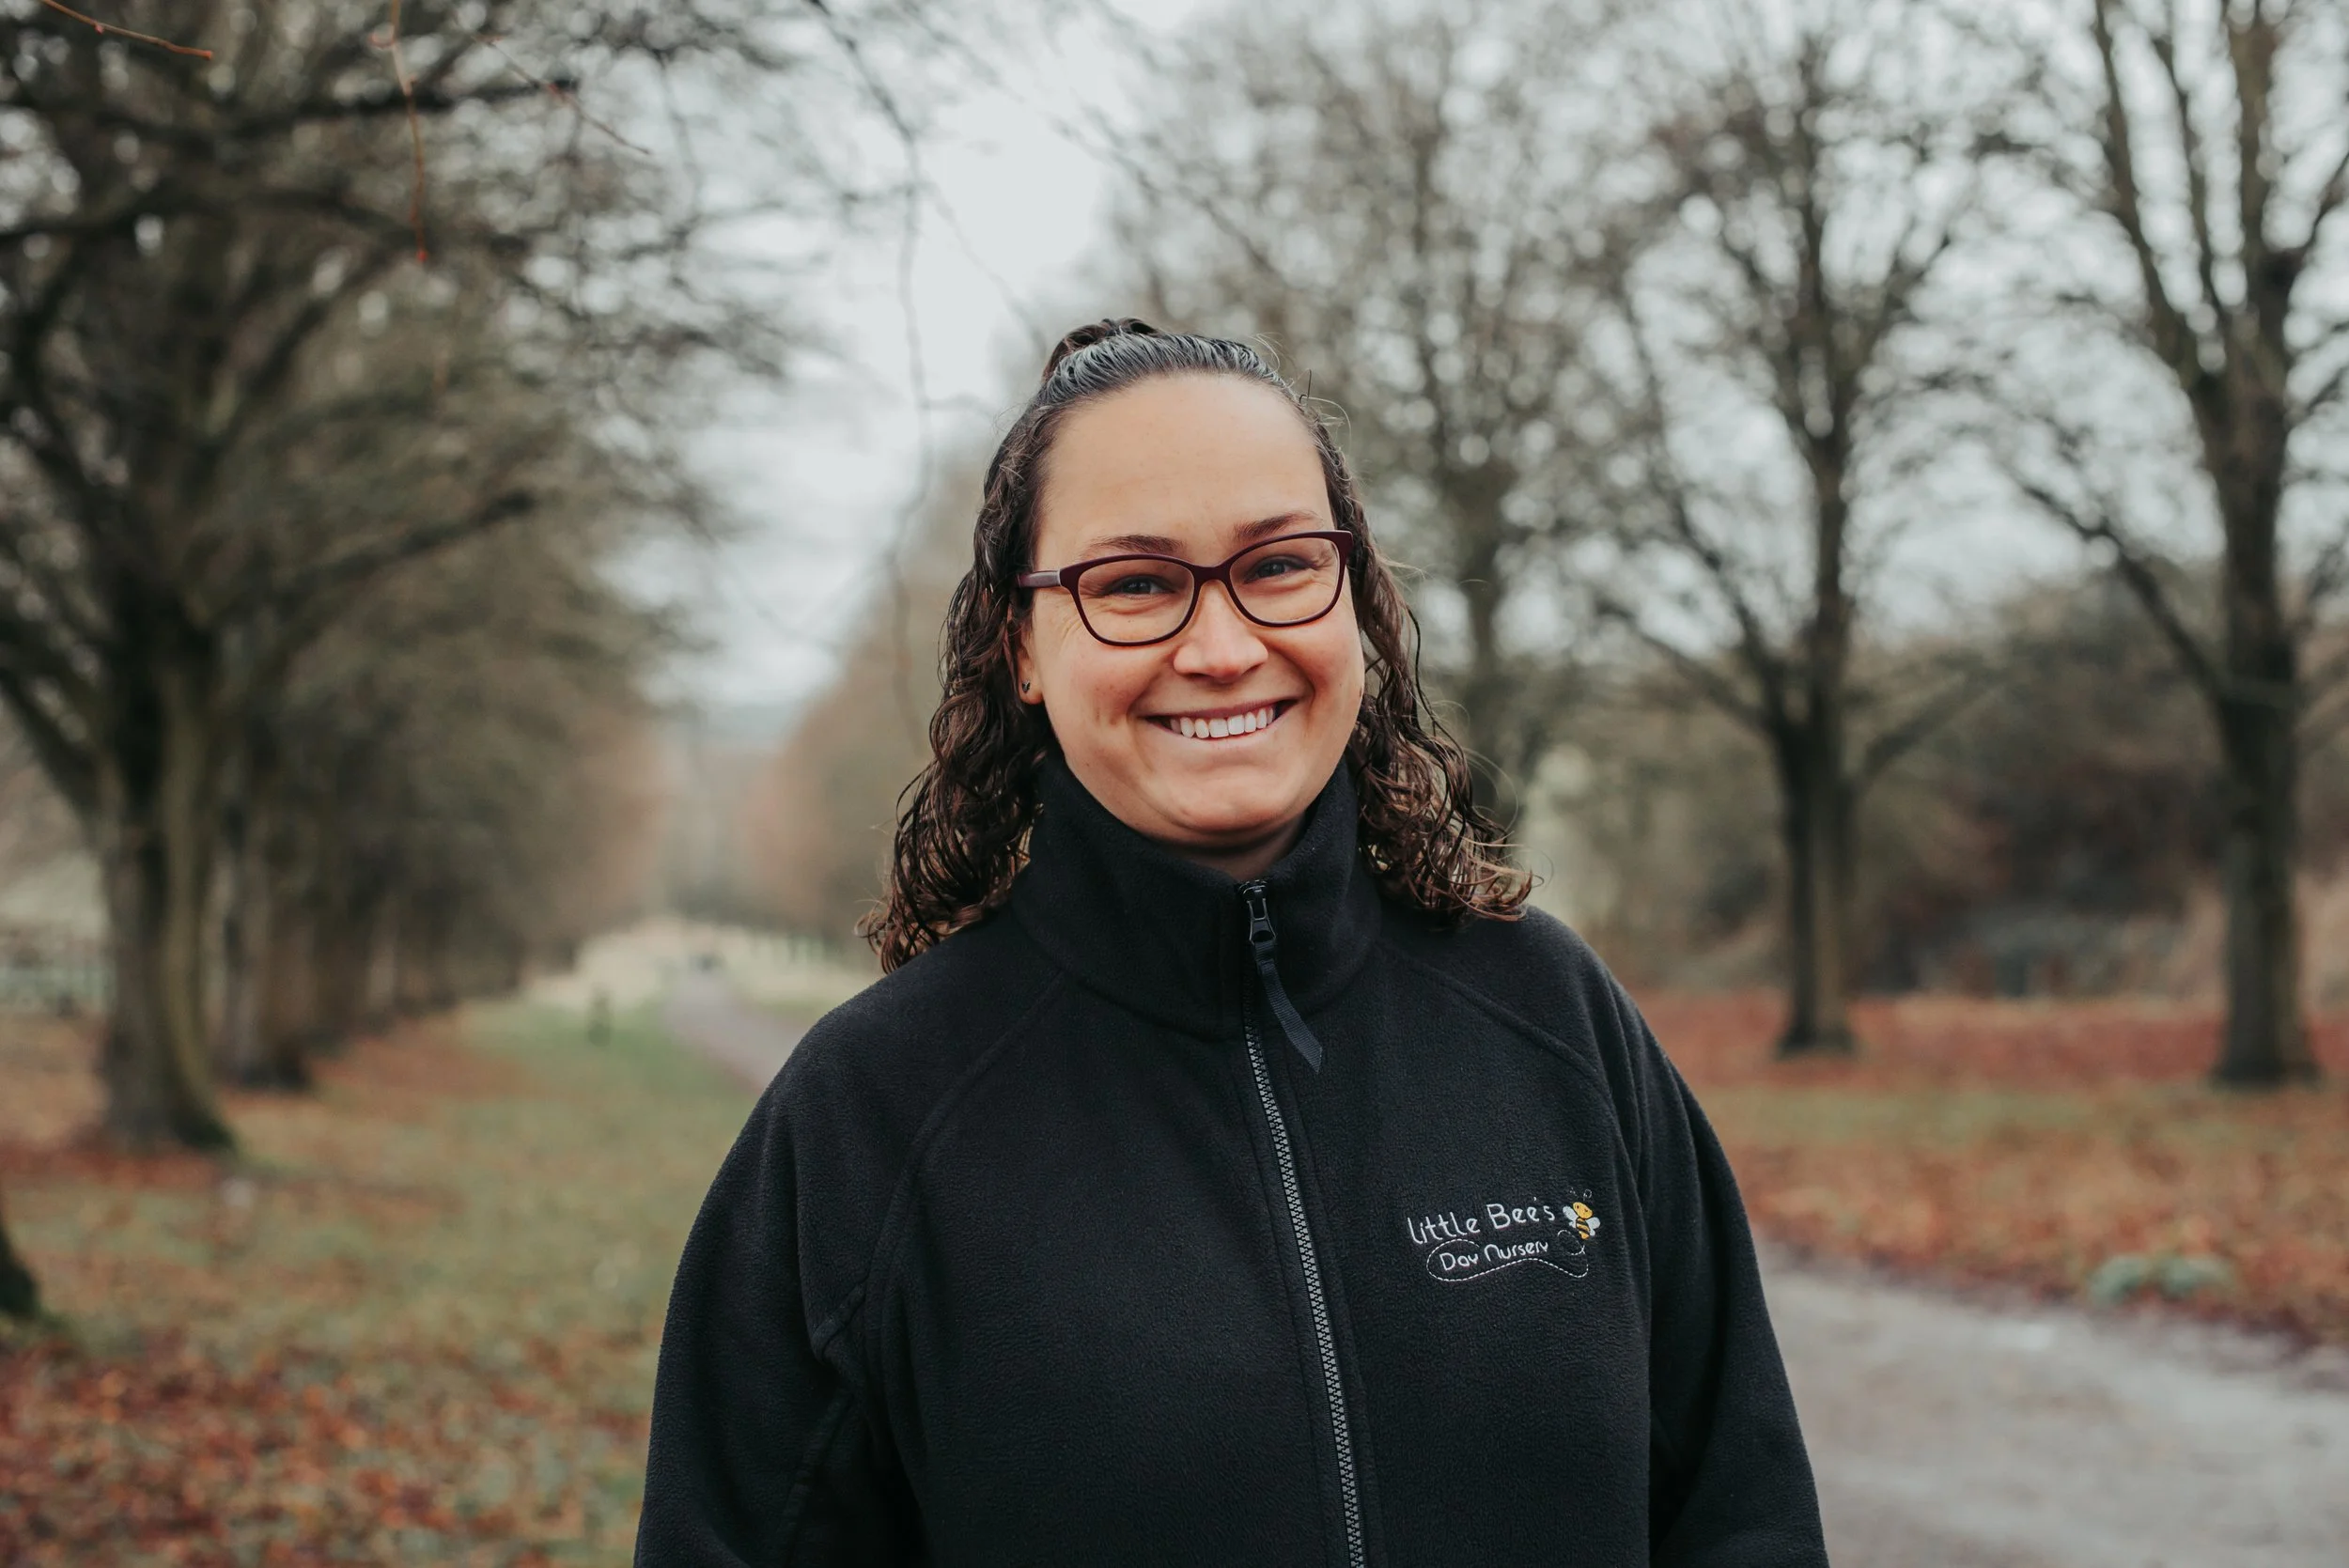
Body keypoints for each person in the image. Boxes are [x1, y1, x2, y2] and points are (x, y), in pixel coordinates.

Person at [636, 320, 1828, 1566]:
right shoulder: (867, 1115)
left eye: (1280, 564)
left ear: (1354, 600)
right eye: (1135, 584)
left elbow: (1745, 1523)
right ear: (1021, 647)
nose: (1221, 648)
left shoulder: (1553, 1019)